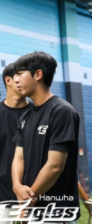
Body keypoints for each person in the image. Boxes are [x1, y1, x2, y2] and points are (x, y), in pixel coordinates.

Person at [12, 52, 80, 223]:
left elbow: (55, 166)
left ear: (38, 74)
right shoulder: (25, 117)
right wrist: (17, 186)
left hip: (55, 213)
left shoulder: (62, 112)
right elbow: (18, 158)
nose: (15, 80)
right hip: (30, 209)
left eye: (20, 74)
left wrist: (28, 201)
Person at [0, 63, 33, 224]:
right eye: (22, 75)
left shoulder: (38, 113)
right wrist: (0, 166)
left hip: (33, 190)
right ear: (8, 80)